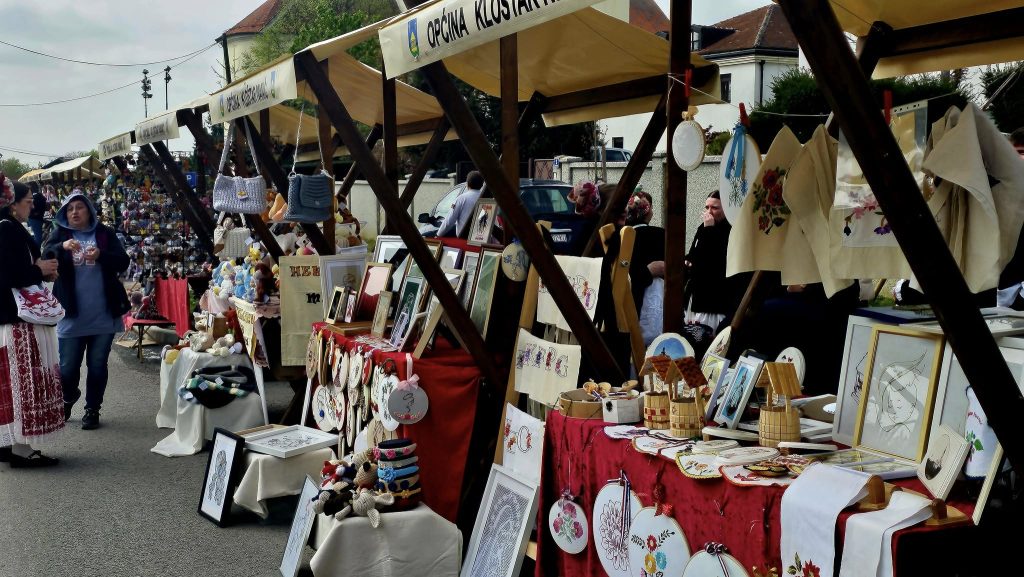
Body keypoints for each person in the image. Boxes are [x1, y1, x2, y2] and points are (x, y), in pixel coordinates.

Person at [44, 192, 131, 430]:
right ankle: (68, 396)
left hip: (103, 314)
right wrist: (62, 247)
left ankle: (93, 409)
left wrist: (101, 255)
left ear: (89, 211)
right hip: (71, 314)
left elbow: (123, 261)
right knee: (67, 367)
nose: (74, 212)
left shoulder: (104, 233)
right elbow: (45, 256)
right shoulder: (61, 234)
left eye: (79, 207)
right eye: (70, 208)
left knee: (97, 365)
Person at [0, 178, 64, 467]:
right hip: (17, 318)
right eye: (28, 201)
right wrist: (39, 270)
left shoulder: (9, 227)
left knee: (12, 384)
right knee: (21, 384)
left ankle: (9, 443)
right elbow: (8, 276)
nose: (32, 207)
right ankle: (20, 449)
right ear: (13, 204)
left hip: (12, 317)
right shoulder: (6, 229)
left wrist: (41, 271)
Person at [682, 191, 744, 355]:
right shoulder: (703, 228)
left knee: (711, 346)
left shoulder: (730, 230)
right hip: (696, 295)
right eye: (707, 207)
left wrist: (709, 231)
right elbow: (694, 253)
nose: (709, 212)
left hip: (715, 300)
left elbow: (717, 260)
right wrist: (688, 260)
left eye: (715, 208)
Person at [436, 171, 485, 238]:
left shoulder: (462, 199)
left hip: (464, 239)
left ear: (467, 184)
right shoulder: (486, 199)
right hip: (483, 238)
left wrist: (438, 235)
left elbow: (449, 221)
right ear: (482, 185)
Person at [28, 183, 47, 247]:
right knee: (37, 235)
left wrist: (34, 213)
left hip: (34, 218)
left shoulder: (34, 198)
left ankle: (36, 250)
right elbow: (43, 207)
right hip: (38, 218)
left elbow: (31, 208)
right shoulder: (41, 197)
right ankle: (35, 249)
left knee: (37, 235)